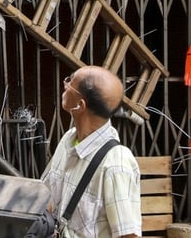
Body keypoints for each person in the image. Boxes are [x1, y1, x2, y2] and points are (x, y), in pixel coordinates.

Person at [41, 66, 141, 238]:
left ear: (80, 105)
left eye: (70, 82)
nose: (65, 85)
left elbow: (129, 236)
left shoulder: (115, 163)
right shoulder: (68, 140)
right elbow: (46, 200)